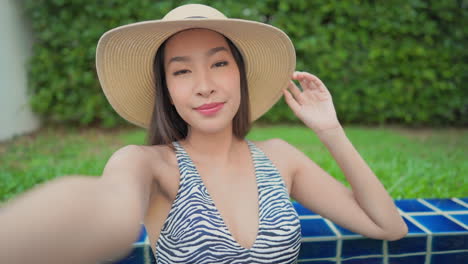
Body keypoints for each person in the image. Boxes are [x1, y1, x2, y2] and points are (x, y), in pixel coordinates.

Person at [0, 4, 407, 264]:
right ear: (167, 91)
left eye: (219, 64)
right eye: (181, 70)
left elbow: (389, 227)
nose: (204, 85)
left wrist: (330, 129)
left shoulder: (281, 158)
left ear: (240, 75)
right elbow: (105, 211)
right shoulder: (148, 164)